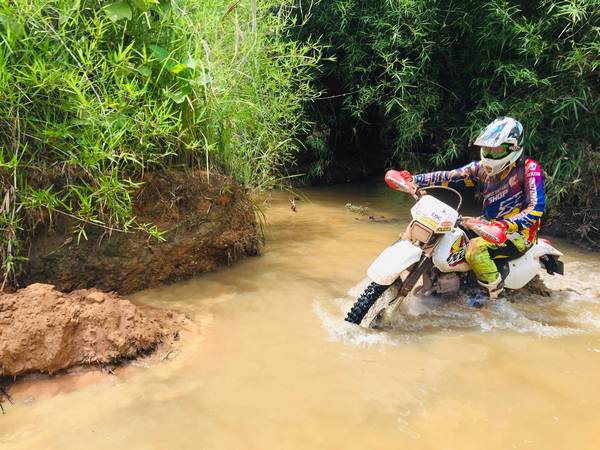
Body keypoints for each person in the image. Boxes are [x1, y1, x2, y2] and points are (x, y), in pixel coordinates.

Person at [397, 116, 545, 303]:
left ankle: (496, 298)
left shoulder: (529, 169)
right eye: (487, 149)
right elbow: (450, 176)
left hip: (518, 235)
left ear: (513, 148)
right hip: (486, 224)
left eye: (497, 149)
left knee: (475, 249)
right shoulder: (481, 169)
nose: (490, 155)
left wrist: (503, 225)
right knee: (442, 231)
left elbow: (535, 209)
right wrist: (414, 180)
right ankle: (440, 279)